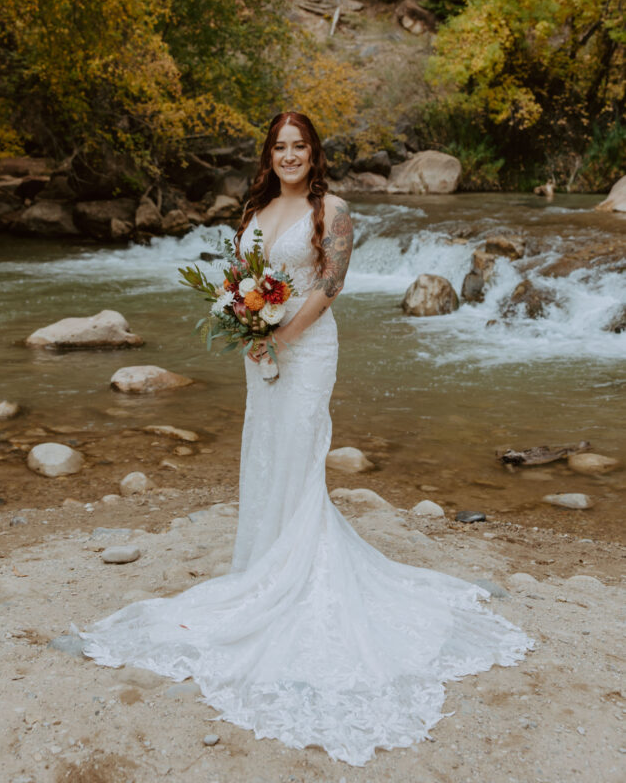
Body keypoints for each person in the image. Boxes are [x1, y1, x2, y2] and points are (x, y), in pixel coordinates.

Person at [80, 111, 533, 767]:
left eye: (299, 146)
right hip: (259, 351)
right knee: (264, 456)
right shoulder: (257, 209)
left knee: (297, 452)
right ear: (268, 155)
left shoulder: (334, 209)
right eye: (279, 146)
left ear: (313, 152)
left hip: (305, 348)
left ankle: (294, 576)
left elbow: (328, 287)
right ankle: (260, 568)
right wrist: (244, 324)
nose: (289, 155)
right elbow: (242, 283)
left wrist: (276, 337)